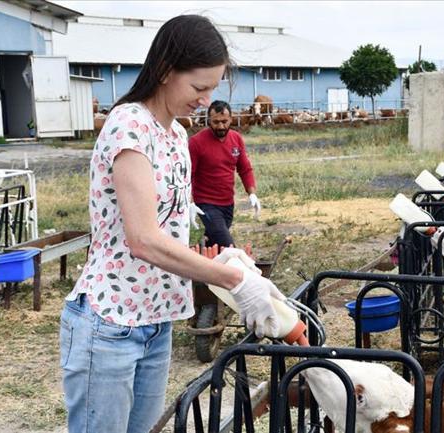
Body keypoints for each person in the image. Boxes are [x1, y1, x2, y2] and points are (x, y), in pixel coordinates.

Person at [59, 15, 285, 433]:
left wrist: (223, 257)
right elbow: (143, 239)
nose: (206, 100)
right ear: (165, 71)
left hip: (156, 320)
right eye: (199, 88)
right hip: (112, 323)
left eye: (213, 88)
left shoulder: (176, 135)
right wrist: (232, 280)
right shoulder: (129, 127)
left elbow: (168, 230)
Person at [188, 100, 261, 248]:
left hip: (228, 203)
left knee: (214, 243)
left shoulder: (236, 139)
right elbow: (188, 176)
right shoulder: (196, 142)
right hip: (206, 204)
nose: (220, 126)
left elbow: (245, 168)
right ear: (209, 120)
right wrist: (190, 202)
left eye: (224, 121)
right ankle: (240, 269)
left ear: (231, 119)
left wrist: (252, 193)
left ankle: (200, 259)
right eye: (215, 122)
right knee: (228, 246)